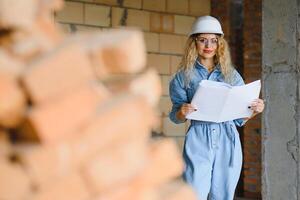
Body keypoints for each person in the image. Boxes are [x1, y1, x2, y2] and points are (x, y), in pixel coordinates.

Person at [169, 16, 265, 200]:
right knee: (193, 193)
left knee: (223, 195)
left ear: (219, 43)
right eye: (203, 40)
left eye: (214, 40)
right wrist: (182, 112)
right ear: (193, 43)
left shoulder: (231, 75)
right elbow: (175, 115)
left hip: (227, 138)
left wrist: (254, 110)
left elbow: (239, 119)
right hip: (199, 138)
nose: (208, 45)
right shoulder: (182, 77)